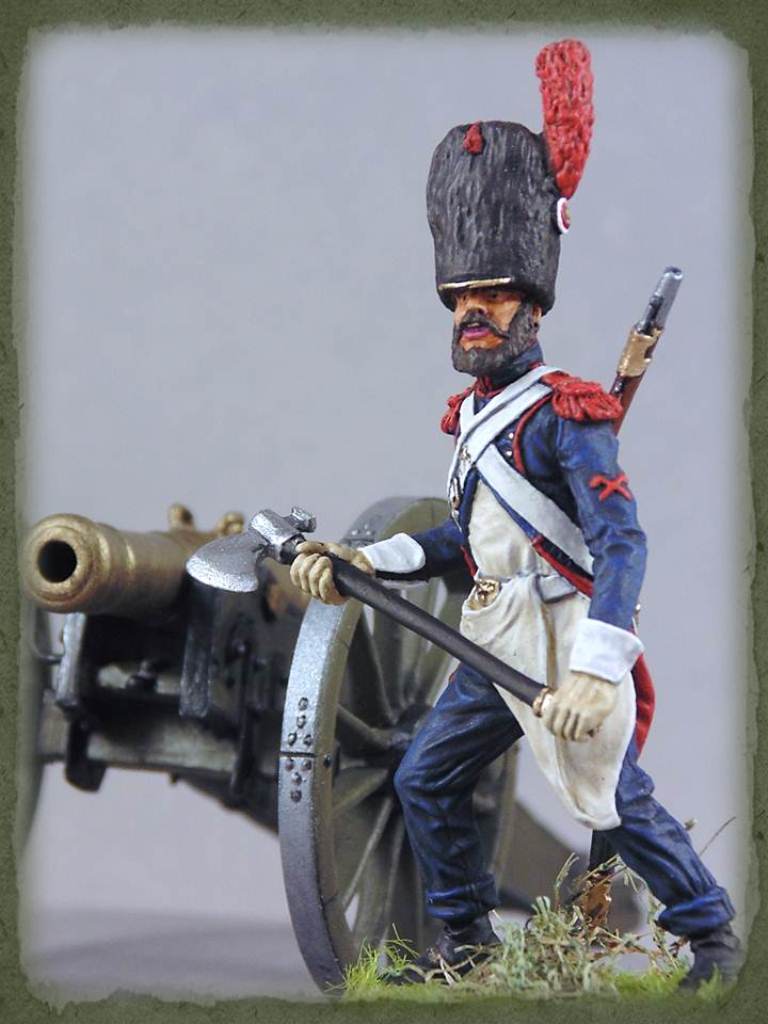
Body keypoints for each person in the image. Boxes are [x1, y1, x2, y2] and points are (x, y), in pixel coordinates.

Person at [289, 40, 741, 990]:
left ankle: (715, 943)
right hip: (496, 633)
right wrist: (368, 560)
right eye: (461, 297)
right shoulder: (472, 422)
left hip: (568, 635)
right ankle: (468, 943)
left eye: (492, 295)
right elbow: (467, 541)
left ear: (532, 306)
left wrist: (597, 670)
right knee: (424, 777)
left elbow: (620, 542)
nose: (473, 312)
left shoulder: (567, 413)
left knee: (613, 796)